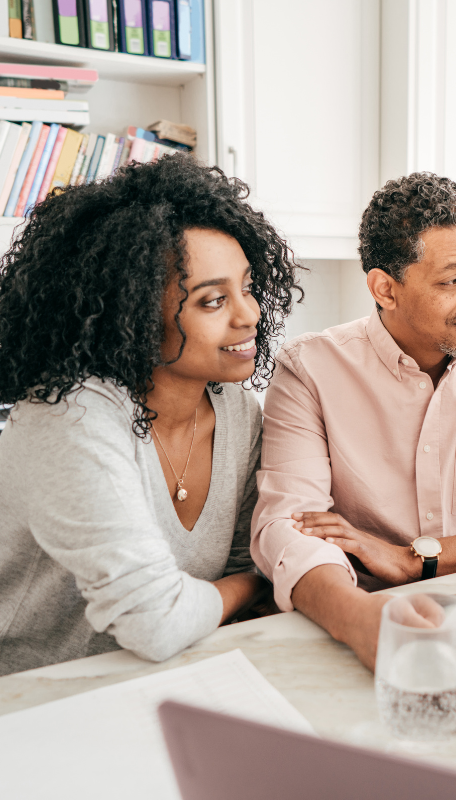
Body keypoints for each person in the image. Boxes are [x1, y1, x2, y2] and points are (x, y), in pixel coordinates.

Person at [251, 172, 456, 669]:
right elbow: (286, 526)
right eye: (454, 280)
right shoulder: (310, 369)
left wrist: (419, 557)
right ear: (385, 288)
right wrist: (360, 618)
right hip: (358, 612)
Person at [0, 156, 300, 675]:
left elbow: (237, 561)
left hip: (163, 676)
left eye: (247, 287)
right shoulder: (68, 419)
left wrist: (249, 578)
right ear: (133, 315)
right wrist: (261, 580)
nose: (249, 314)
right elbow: (157, 621)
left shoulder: (235, 411)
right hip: (29, 698)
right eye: (211, 301)